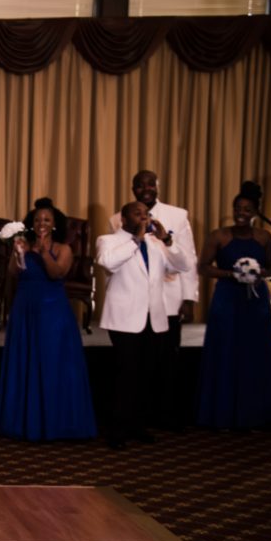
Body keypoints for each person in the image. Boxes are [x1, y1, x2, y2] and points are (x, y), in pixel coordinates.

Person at [0, 198, 96, 442]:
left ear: (54, 224)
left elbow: (56, 273)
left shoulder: (63, 248)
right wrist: (18, 254)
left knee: (52, 361)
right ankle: (23, 422)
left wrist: (42, 252)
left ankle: (56, 423)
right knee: (26, 360)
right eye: (38, 219)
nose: (42, 223)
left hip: (53, 310)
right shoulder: (23, 244)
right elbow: (13, 272)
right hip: (25, 308)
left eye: (47, 220)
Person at [108, 170, 198, 430]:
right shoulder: (117, 218)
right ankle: (136, 418)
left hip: (168, 298)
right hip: (134, 303)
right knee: (137, 364)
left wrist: (189, 297)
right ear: (133, 188)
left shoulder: (177, 215)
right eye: (140, 185)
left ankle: (164, 415)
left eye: (151, 184)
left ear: (158, 187)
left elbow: (188, 259)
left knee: (166, 361)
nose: (146, 188)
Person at [97, 201, 191, 449]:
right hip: (125, 320)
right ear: (123, 219)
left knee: (146, 375)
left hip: (155, 318)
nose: (143, 217)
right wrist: (135, 240)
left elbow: (183, 265)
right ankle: (117, 430)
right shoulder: (108, 240)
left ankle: (138, 425)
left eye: (145, 214)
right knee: (125, 374)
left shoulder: (157, 244)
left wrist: (168, 241)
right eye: (137, 214)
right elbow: (108, 263)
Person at [196, 182, 271, 430]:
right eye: (237, 208)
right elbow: (203, 267)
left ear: (255, 212)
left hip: (255, 300)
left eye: (247, 208)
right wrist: (230, 274)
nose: (241, 212)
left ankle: (255, 414)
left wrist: (257, 272)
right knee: (226, 350)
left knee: (255, 352)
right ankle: (221, 413)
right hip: (227, 298)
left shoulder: (265, 236)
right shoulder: (219, 235)